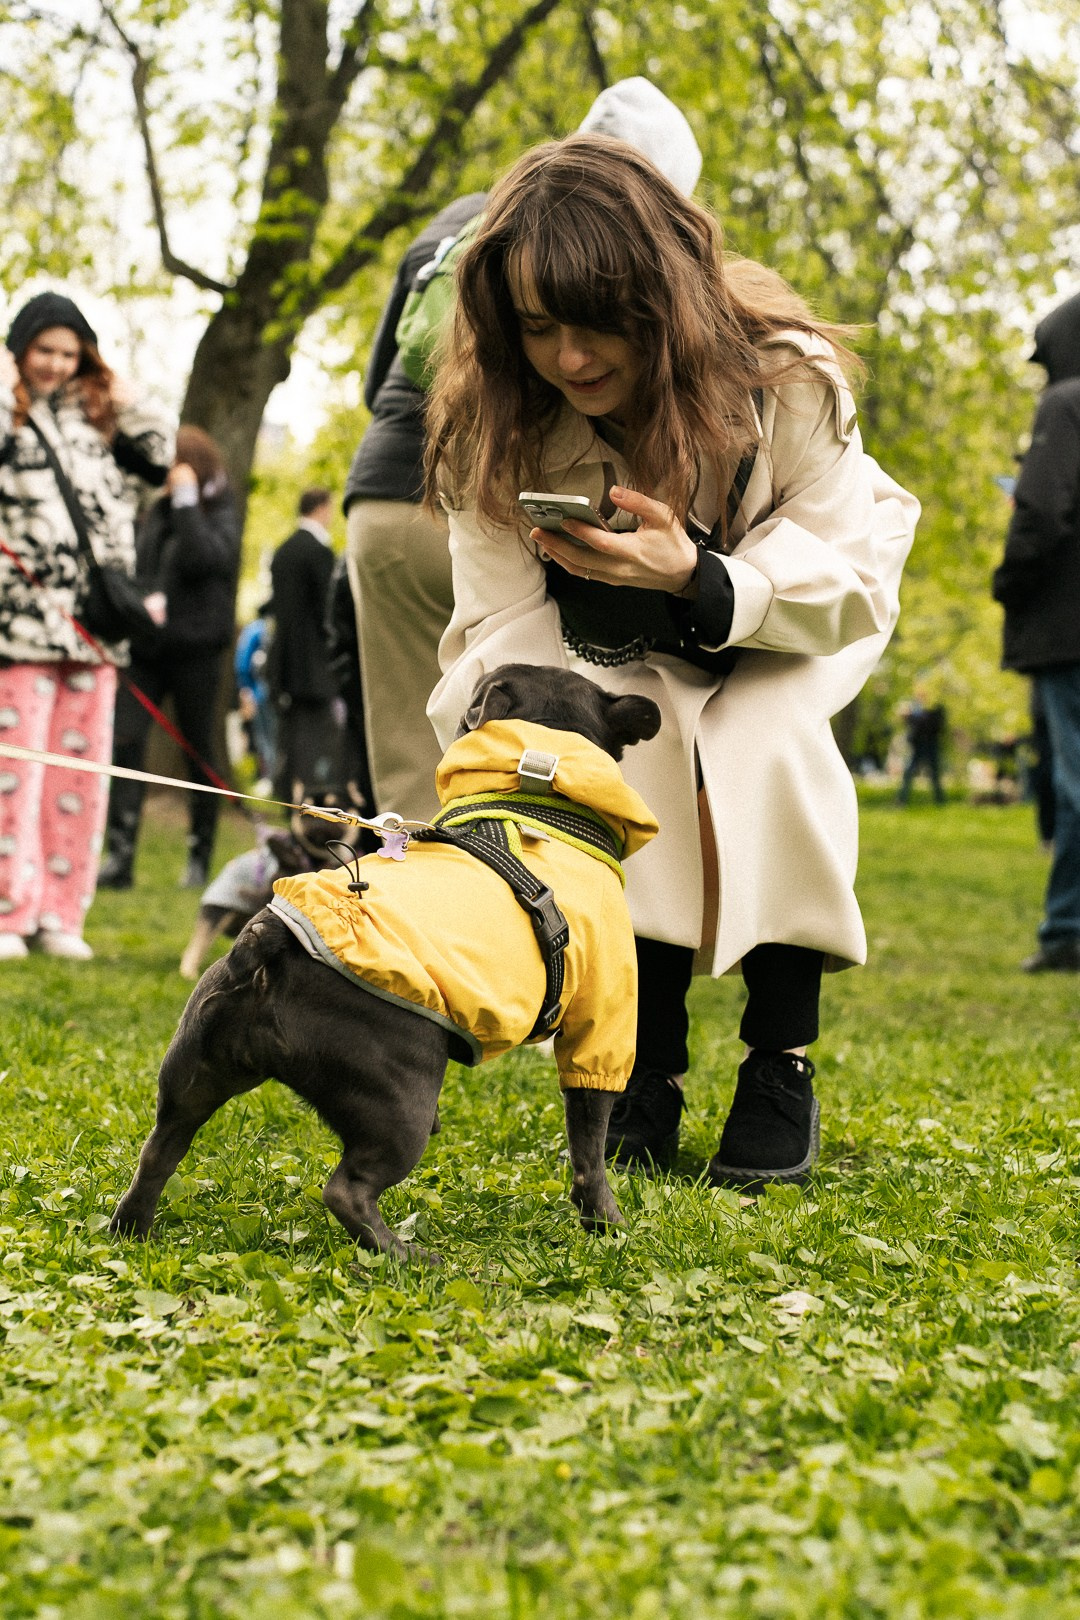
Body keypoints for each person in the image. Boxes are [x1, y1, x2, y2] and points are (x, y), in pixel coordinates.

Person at [425, 135, 919, 1184]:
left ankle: (779, 1058)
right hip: (602, 637)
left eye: (597, 320)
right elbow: (495, 623)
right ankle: (645, 1063)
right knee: (620, 747)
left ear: (663, 292)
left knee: (764, 738)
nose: (570, 357)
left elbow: (836, 568)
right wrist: (549, 729)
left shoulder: (787, 374)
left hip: (792, 611)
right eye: (539, 325)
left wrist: (695, 579)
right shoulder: (494, 419)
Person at [344, 78, 703, 821]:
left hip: (382, 494)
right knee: (538, 705)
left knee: (416, 752)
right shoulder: (596, 254)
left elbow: (381, 368)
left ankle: (414, 901)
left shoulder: (457, 223)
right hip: (494, 489)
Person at [0, 291, 173, 958]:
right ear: (20, 351)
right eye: (44, 349)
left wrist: (115, 388)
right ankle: (10, 911)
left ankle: (60, 915)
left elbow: (158, 452)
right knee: (18, 773)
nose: (55, 363)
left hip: (97, 629)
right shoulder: (12, 419)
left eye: (69, 352)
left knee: (79, 775)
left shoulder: (97, 421)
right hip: (20, 628)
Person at [97, 426, 242, 890]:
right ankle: (119, 856)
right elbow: (139, 566)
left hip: (197, 652)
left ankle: (199, 856)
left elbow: (205, 560)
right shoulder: (155, 511)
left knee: (199, 749)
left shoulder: (220, 509)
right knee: (125, 742)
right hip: (148, 649)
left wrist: (186, 502)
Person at [992, 289, 1080, 972]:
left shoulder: (1064, 405)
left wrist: (1009, 583)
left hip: (1067, 629)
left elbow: (1042, 516)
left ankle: (1065, 929)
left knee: (1071, 780)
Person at [265, 487, 342, 799]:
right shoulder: (320, 553)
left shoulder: (282, 552)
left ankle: (286, 792)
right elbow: (328, 609)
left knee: (290, 731)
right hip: (314, 661)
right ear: (321, 508)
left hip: (284, 658)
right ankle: (310, 792)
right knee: (315, 732)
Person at [896, 691, 947, 805]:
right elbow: (912, 723)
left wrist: (912, 716)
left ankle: (940, 800)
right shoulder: (915, 708)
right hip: (917, 745)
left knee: (934, 774)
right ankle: (902, 799)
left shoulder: (934, 708)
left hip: (931, 744)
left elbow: (933, 724)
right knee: (909, 773)